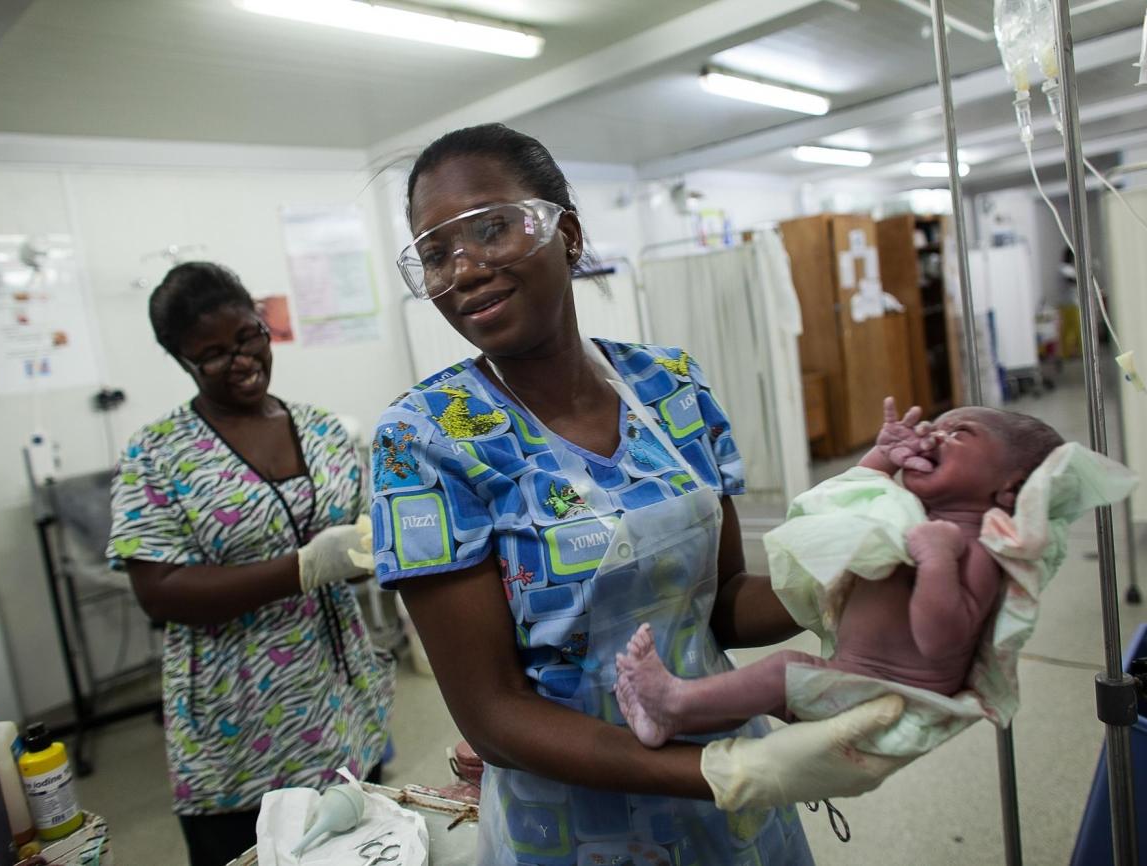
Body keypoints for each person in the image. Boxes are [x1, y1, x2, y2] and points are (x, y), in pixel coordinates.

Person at [367, 123, 905, 866]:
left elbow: (721, 606)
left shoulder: (669, 387)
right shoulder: (425, 438)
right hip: (576, 827)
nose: (463, 268)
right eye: (434, 253)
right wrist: (726, 773)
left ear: (569, 234)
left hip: (734, 817)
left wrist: (848, 560)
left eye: (491, 228)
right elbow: (491, 715)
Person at [107, 262, 394, 866]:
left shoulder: (320, 429)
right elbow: (159, 592)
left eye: (247, 337)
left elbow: (365, 538)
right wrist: (304, 568)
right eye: (210, 354)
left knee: (363, 847)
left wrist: (370, 553)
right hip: (236, 722)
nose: (239, 360)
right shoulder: (157, 452)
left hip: (340, 699)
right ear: (182, 361)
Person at [615, 398, 1065, 748]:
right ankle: (670, 720)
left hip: (888, 694)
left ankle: (675, 703)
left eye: (960, 433)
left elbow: (941, 638)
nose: (933, 435)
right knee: (765, 690)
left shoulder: (977, 549)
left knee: (779, 673)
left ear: (1010, 489)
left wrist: (936, 562)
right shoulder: (917, 514)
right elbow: (836, 503)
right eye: (935, 425)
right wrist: (882, 458)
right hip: (855, 675)